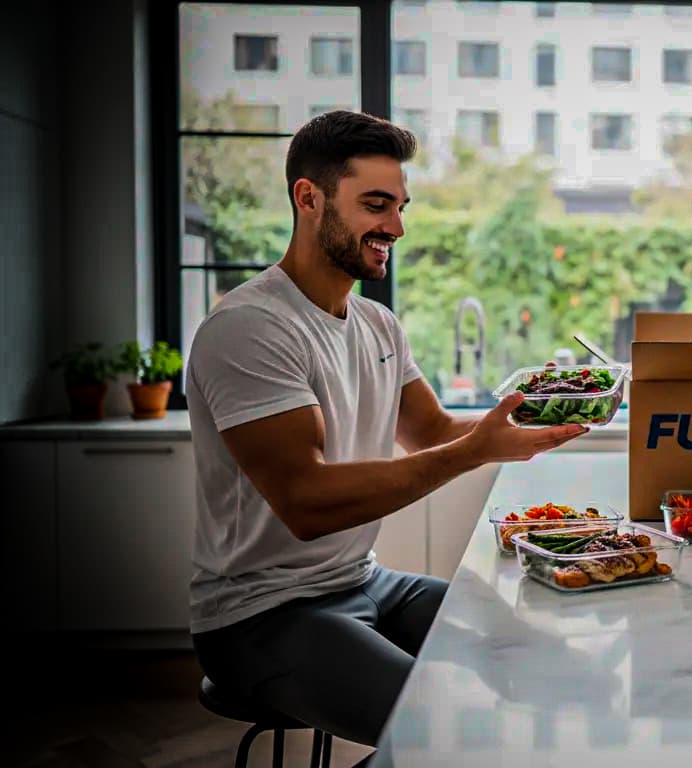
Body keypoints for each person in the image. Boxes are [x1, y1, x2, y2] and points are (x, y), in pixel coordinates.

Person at [186, 110, 588, 747]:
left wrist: (537, 414)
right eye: (377, 205)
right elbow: (307, 502)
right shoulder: (249, 328)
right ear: (308, 198)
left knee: (537, 656)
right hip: (260, 615)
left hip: (363, 581)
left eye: (401, 206)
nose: (396, 227)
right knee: (436, 727)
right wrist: (473, 452)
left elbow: (430, 430)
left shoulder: (377, 325)